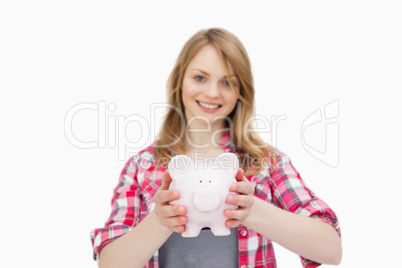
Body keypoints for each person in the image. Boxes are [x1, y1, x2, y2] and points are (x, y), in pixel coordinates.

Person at [90, 28, 342, 268]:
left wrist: (249, 208)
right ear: (180, 81)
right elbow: (111, 263)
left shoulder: (266, 162)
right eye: (200, 77)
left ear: (241, 91)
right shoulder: (142, 166)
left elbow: (331, 249)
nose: (212, 92)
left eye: (227, 83)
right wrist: (161, 218)